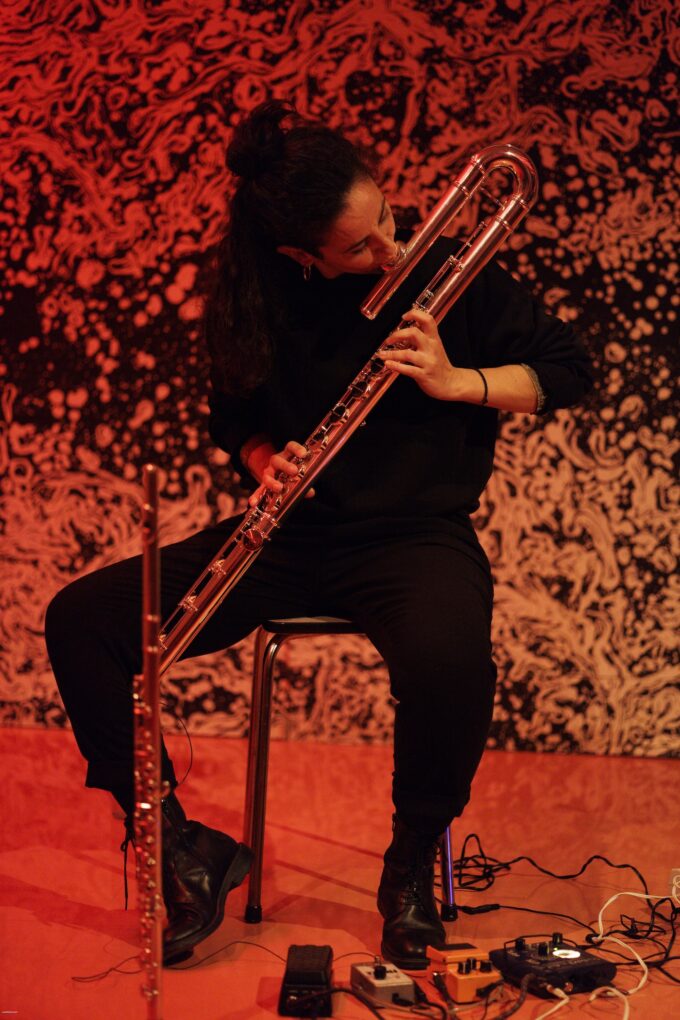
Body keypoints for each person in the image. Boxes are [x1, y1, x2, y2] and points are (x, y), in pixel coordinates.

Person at [45, 100, 592, 969]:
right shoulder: (257, 299)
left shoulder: (449, 272)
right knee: (82, 620)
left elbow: (569, 371)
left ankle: (409, 865)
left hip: (414, 537)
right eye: (359, 248)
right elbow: (235, 418)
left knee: (451, 662)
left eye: (388, 221)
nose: (389, 251)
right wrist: (263, 457)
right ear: (300, 255)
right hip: (291, 536)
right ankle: (181, 849)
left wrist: (457, 381)